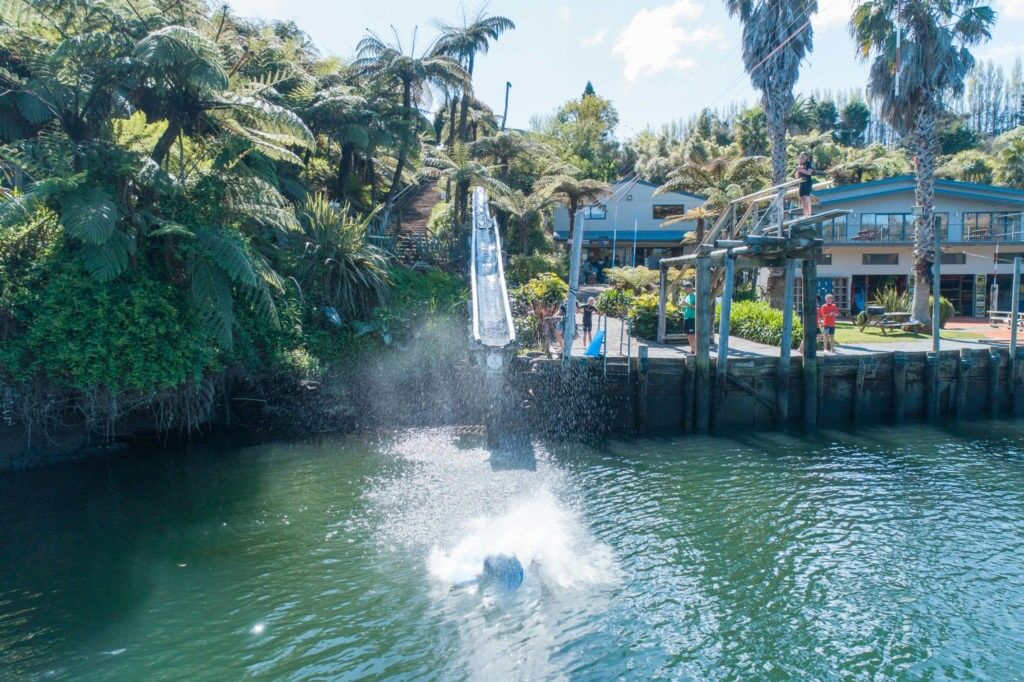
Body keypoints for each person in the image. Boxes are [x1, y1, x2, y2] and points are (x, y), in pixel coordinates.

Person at [795, 151, 814, 217]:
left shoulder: (808, 163)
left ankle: (809, 214)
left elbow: (809, 173)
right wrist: (797, 171)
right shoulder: (800, 165)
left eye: (803, 157)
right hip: (801, 184)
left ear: (806, 157)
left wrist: (800, 170)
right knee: (803, 199)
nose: (802, 158)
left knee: (806, 198)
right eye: (801, 157)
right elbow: (797, 176)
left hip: (807, 183)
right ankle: (805, 214)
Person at [681, 281, 696, 352]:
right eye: (684, 289)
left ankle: (694, 350)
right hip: (686, 317)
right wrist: (682, 305)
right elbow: (686, 307)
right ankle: (692, 350)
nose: (684, 290)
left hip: (692, 317)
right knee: (688, 335)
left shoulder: (695, 296)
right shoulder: (687, 296)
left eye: (686, 289)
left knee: (692, 335)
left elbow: (696, 307)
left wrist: (687, 304)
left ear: (690, 288)